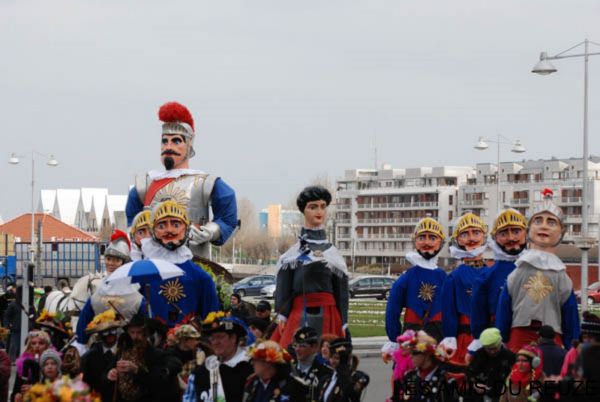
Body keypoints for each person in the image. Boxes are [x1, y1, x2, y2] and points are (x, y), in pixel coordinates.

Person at [125, 101, 238, 259]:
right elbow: (132, 227)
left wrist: (210, 231)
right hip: (152, 266)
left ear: (189, 143)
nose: (168, 147)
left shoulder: (204, 183)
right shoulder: (144, 185)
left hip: (194, 262)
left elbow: (227, 217)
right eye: (165, 141)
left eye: (176, 141)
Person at [496, 189, 580, 353]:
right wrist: (502, 338)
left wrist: (572, 345)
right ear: (528, 230)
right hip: (519, 338)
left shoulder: (562, 277)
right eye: (538, 220)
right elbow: (504, 308)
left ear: (561, 233)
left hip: (552, 340)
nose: (544, 226)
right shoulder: (517, 272)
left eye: (551, 222)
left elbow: (570, 314)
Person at [273, 186, 349, 348]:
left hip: (329, 315)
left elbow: (341, 292)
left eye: (322, 206)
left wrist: (343, 321)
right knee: (295, 354)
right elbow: (284, 287)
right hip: (299, 314)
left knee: (328, 354)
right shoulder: (292, 254)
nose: (319, 211)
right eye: (313, 207)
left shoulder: (333, 254)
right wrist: (282, 315)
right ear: (304, 210)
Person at [142, 200, 220, 326]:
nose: (169, 230)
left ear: (186, 228)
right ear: (153, 230)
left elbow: (211, 322)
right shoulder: (142, 274)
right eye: (162, 226)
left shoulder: (202, 278)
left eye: (176, 224)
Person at [440, 212, 490, 374]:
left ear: (483, 236)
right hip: (464, 339)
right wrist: (449, 337)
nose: (471, 238)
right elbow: (448, 311)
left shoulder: (492, 273)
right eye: (465, 234)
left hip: (491, 338)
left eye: (476, 233)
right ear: (458, 239)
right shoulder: (454, 277)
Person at [76, 229, 145, 346]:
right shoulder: (97, 293)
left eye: (117, 260)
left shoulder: (137, 292)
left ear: (124, 262)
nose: (111, 263)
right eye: (108, 259)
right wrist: (81, 343)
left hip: (130, 346)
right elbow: (84, 321)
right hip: (102, 346)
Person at [385, 217, 447, 343]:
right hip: (411, 339)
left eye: (432, 238)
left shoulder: (444, 277)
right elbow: (392, 310)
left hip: (439, 338)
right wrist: (394, 338)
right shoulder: (407, 278)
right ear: (415, 241)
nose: (427, 242)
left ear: (441, 242)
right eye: (422, 237)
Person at [471, 209, 527, 342]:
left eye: (516, 232)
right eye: (503, 233)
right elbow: (479, 318)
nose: (511, 238)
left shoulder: (539, 269)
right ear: (495, 237)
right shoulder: (486, 277)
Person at [107, 313, 181, 402]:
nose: (135, 337)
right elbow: (107, 373)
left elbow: (157, 380)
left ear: (147, 334)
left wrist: (136, 370)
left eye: (139, 332)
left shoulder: (155, 354)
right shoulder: (122, 350)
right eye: (132, 332)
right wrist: (110, 373)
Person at [184, 312, 253, 402]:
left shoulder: (250, 369)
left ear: (233, 338)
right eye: (212, 338)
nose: (215, 342)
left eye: (220, 337)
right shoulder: (202, 372)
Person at [391, 331, 449, 402]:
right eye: (410, 352)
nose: (411, 356)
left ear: (427, 355)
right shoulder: (409, 377)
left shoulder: (444, 379)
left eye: (414, 353)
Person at [466, 328, 516, 402]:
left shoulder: (510, 357)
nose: (492, 352)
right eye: (489, 349)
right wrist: (475, 384)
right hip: (478, 395)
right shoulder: (479, 354)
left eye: (495, 348)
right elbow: (469, 372)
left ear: (500, 344)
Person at [291, 327, 333, 401]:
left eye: (302, 346)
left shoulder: (326, 373)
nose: (297, 349)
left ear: (314, 347)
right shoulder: (288, 370)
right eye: (295, 345)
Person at [11, 330, 51, 402]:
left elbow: (56, 389)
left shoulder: (52, 363)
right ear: (29, 347)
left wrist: (35, 389)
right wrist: (17, 395)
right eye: (33, 343)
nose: (37, 346)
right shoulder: (24, 363)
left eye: (41, 343)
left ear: (47, 346)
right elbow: (16, 389)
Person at [560, 311, 600, 378]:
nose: (587, 341)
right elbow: (565, 375)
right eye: (584, 337)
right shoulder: (573, 352)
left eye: (591, 337)